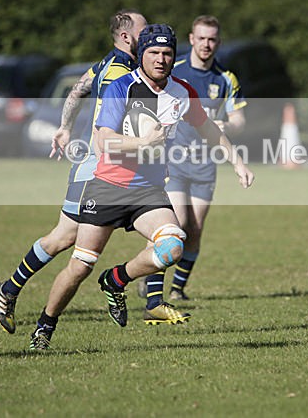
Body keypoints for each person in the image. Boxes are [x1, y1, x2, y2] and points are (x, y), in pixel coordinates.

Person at [24, 24, 254, 350]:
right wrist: (142, 142)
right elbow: (103, 140)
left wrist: (237, 162)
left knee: (173, 245)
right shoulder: (122, 87)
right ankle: (45, 326)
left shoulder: (182, 91)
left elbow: (208, 129)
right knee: (80, 266)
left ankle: (116, 279)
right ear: (142, 54)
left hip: (148, 190)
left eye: (167, 53)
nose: (161, 59)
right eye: (153, 53)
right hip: (108, 185)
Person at [0, 9, 147, 334]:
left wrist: (64, 127)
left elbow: (78, 89)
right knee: (66, 238)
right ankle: (13, 291)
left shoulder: (108, 62)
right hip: (96, 168)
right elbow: (109, 120)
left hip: (97, 166)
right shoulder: (119, 71)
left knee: (65, 237)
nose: (147, 38)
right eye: (143, 32)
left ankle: (12, 290)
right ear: (126, 36)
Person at [138, 15, 246, 319]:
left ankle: (178, 288)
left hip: (205, 165)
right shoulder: (176, 71)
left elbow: (239, 118)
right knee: (176, 224)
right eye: (201, 38)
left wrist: (226, 125)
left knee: (195, 229)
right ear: (192, 38)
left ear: (218, 42)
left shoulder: (225, 79)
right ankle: (151, 281)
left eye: (212, 39)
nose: (207, 44)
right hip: (172, 163)